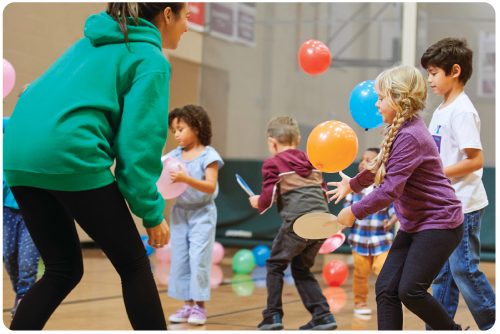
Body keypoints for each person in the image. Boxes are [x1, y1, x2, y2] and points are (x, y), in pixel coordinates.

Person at [2, 2, 189, 331]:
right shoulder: (150, 60)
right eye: (186, 16)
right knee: (133, 265)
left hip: (17, 154)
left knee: (63, 269)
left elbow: (36, 92)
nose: (187, 26)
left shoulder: (86, 44)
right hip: (68, 152)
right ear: (169, 14)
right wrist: (151, 213)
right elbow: (139, 147)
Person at [328, 65, 468, 331]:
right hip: (416, 224)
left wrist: (354, 211)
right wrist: (353, 185)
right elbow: (378, 167)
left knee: (410, 291)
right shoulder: (399, 130)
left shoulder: (410, 136)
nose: (377, 104)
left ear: (398, 98)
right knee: (386, 288)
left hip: (439, 224)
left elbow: (390, 189)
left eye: (381, 98)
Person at [421, 37, 496, 331]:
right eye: (427, 73)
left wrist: (435, 173)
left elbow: (475, 160)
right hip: (444, 206)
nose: (429, 80)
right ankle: (439, 327)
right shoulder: (441, 110)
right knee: (443, 274)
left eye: (434, 73)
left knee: (464, 270)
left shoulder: (462, 110)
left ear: (454, 71)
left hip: (463, 205)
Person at [249, 116, 337, 332]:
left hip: (298, 223)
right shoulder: (312, 161)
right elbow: (324, 194)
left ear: (272, 142)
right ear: (297, 140)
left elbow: (268, 198)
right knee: (301, 267)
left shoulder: (273, 163)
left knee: (275, 265)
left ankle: (272, 316)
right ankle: (323, 316)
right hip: (323, 223)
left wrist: (256, 201)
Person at [163, 105, 224, 326]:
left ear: (196, 127)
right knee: (180, 259)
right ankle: (187, 304)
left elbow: (210, 186)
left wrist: (186, 179)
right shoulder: (172, 157)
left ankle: (200, 307)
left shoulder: (209, 156)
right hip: (180, 213)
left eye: (181, 129)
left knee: (199, 259)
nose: (176, 134)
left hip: (203, 213)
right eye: (174, 130)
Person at [342, 147, 397, 317]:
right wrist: (341, 226)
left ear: (380, 165)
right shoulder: (353, 188)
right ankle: (360, 302)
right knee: (360, 273)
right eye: (362, 160)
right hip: (359, 241)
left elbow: (395, 209)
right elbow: (347, 210)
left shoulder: (385, 187)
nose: (363, 163)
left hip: (381, 239)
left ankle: (388, 302)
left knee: (384, 270)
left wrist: (392, 220)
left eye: (369, 160)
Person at [2, 85, 41, 321]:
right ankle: (21, 294)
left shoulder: (45, 130)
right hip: (7, 207)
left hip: (35, 208)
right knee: (9, 255)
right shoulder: (12, 124)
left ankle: (24, 298)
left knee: (28, 260)